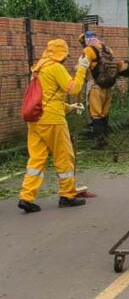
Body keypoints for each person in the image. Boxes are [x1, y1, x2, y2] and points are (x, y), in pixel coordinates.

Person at [17, 39, 90, 212]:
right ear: (62, 54)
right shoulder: (56, 67)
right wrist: (82, 68)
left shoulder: (38, 68)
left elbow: (45, 97)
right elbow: (73, 88)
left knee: (36, 159)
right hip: (53, 121)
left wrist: (69, 107)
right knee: (64, 156)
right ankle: (67, 195)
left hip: (35, 119)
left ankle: (26, 197)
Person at [80, 30, 128, 148]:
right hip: (108, 86)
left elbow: (83, 67)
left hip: (95, 86)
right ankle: (106, 138)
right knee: (104, 113)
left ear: (86, 40)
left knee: (96, 114)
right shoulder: (107, 49)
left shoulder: (88, 50)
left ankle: (100, 142)